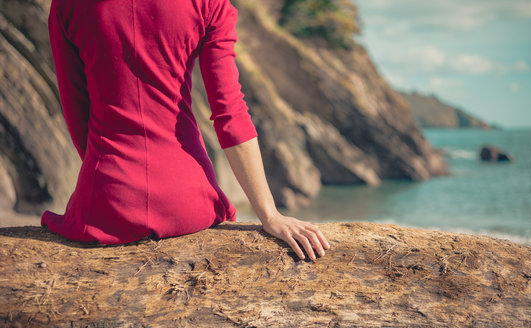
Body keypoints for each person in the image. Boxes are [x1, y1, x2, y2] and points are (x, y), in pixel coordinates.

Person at [42, 0, 330, 261]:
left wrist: (114, 186)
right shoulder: (208, 3)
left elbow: (78, 116)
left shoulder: (67, 5)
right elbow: (230, 113)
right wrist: (270, 215)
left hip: (107, 205)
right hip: (189, 202)